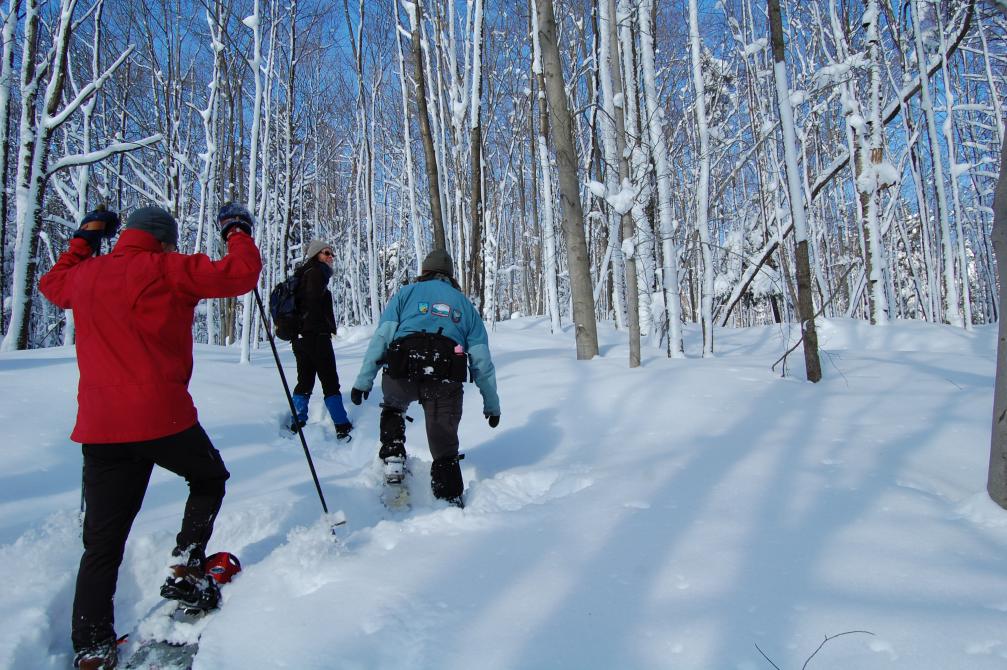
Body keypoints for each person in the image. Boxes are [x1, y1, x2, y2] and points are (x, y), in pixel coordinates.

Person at [39, 203, 262, 670]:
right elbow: (240, 274)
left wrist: (85, 238)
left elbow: (51, 285)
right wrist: (236, 230)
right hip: (163, 417)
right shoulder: (168, 267)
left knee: (103, 540)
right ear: (163, 240)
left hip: (100, 427)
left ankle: (92, 644)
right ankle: (188, 562)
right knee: (208, 476)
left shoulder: (86, 274)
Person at [350, 248, 500, 507]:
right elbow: (481, 361)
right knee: (443, 434)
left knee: (394, 406)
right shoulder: (465, 306)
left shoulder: (405, 294)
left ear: (425, 271)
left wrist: (364, 380)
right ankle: (448, 491)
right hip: (445, 379)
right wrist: (491, 404)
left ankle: (394, 455)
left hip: (401, 371)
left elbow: (382, 339)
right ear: (451, 276)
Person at [288, 239, 353, 441]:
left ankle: (297, 421)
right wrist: (320, 328)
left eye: (331, 253)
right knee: (330, 380)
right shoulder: (316, 273)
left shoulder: (303, 274)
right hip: (315, 337)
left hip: (300, 338)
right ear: (316, 255)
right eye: (326, 253)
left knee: (305, 379)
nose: (330, 256)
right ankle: (342, 425)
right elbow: (312, 303)